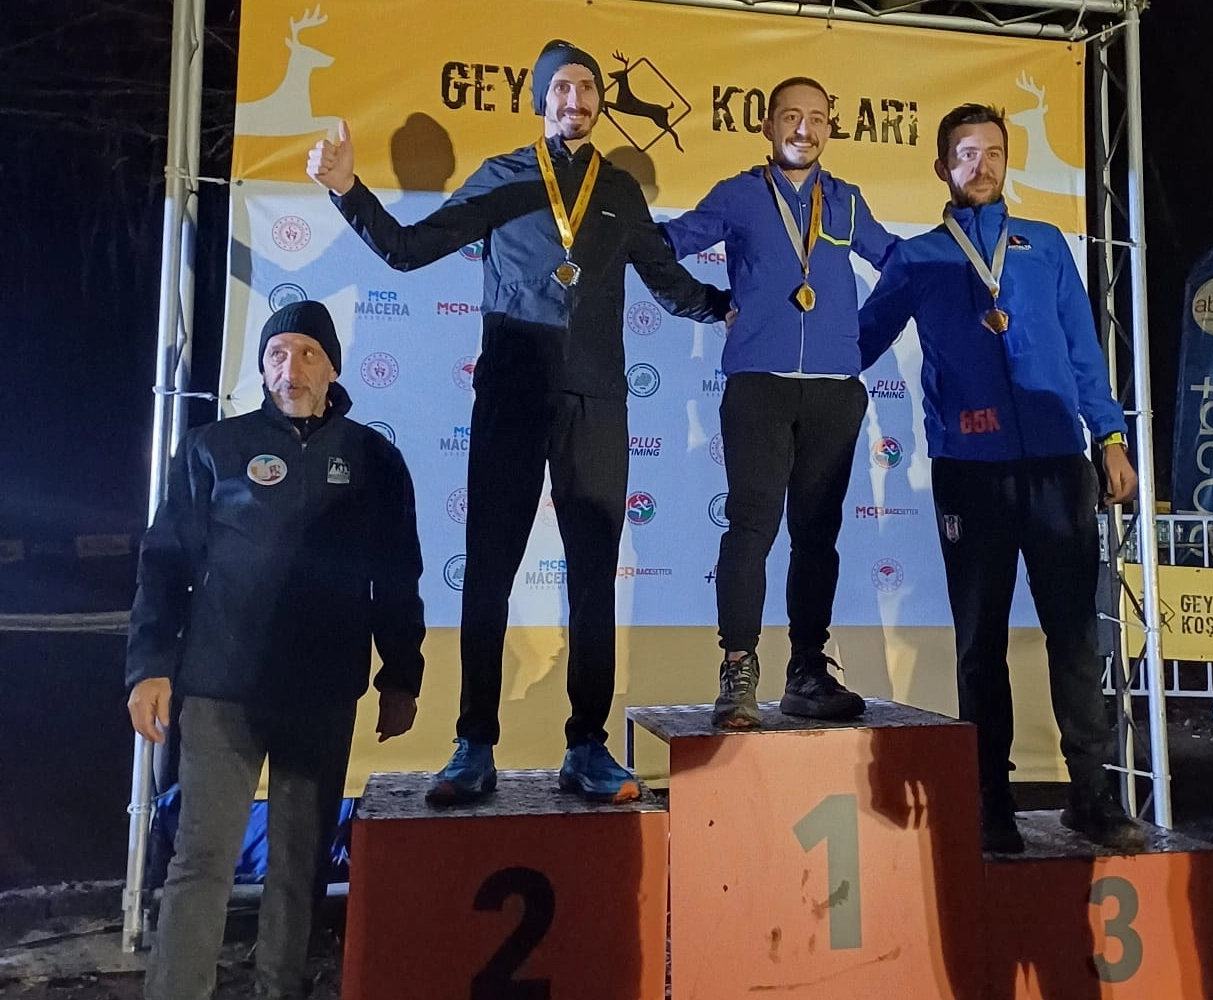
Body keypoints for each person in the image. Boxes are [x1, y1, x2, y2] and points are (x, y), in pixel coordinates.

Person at [307, 40, 731, 806]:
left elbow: (671, 287)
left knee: (595, 579)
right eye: (561, 88)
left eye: (587, 87)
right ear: (541, 100)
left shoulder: (619, 190)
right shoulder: (504, 177)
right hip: (511, 395)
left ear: (600, 102)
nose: (576, 99)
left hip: (596, 401)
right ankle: (473, 744)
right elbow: (408, 249)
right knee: (490, 571)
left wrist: (732, 307)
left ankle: (588, 747)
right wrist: (348, 191)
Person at [858, 103, 1145, 853]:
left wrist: (1110, 437)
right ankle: (991, 803)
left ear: (1006, 162)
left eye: (991, 152)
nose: (979, 165)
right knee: (980, 643)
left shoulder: (1045, 245)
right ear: (941, 167)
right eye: (965, 153)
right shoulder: (919, 258)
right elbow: (856, 341)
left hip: (1056, 466)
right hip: (969, 471)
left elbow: (1083, 348)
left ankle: (1092, 795)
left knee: (1074, 636)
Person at [126, 300, 426, 1000]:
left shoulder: (374, 459)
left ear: (333, 369)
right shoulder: (213, 447)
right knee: (202, 860)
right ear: (262, 369)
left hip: (321, 694)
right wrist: (150, 667)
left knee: (299, 866)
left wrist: (401, 676)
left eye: (308, 353)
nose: (291, 368)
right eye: (277, 354)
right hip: (220, 690)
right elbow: (165, 562)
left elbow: (397, 575)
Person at [662, 77, 894, 729]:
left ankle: (807, 672)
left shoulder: (846, 202)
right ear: (767, 125)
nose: (803, 129)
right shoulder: (739, 194)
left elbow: (902, 266)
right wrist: (705, 304)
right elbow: (663, 246)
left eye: (817, 118)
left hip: (833, 392)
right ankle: (738, 670)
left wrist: (859, 339)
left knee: (817, 536)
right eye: (791, 116)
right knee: (751, 529)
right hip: (758, 386)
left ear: (830, 128)